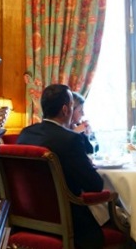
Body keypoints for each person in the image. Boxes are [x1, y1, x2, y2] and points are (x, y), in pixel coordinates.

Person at [17, 84, 105, 249]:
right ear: (65, 110)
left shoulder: (25, 134)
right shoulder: (70, 140)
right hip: (68, 221)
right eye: (72, 105)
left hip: (28, 217)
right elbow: (95, 185)